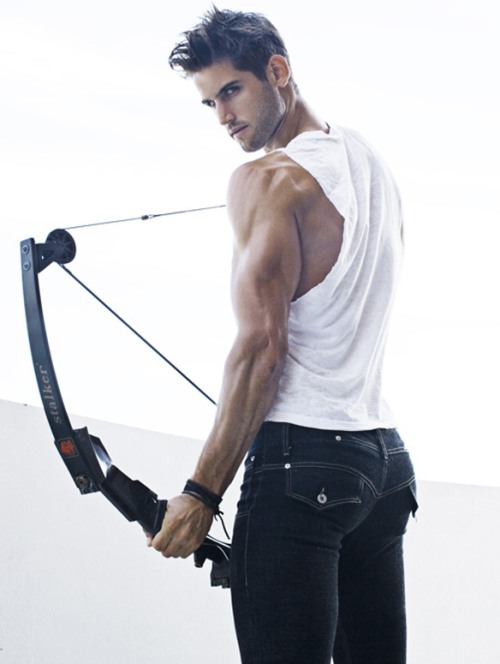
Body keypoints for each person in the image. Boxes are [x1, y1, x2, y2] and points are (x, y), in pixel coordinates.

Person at [150, 7, 417, 664]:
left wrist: (201, 493)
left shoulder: (266, 180)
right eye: (209, 102)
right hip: (382, 465)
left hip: (304, 466)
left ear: (277, 70)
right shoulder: (369, 162)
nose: (222, 115)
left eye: (231, 91)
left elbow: (260, 349)